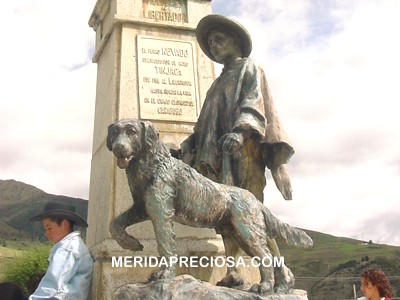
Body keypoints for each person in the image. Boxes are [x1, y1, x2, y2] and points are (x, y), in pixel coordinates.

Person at [177, 14, 295, 292]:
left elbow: (255, 104)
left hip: (244, 153)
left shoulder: (250, 68)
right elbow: (206, 123)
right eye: (210, 43)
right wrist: (189, 145)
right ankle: (234, 271)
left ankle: (281, 272)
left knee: (252, 215)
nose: (215, 46)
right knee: (227, 218)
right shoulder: (216, 85)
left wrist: (241, 133)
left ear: (236, 41)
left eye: (219, 40)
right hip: (221, 156)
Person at [28, 202, 93, 300]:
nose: (47, 233)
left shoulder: (68, 248)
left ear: (64, 224)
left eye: (49, 228)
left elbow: (53, 281)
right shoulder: (73, 244)